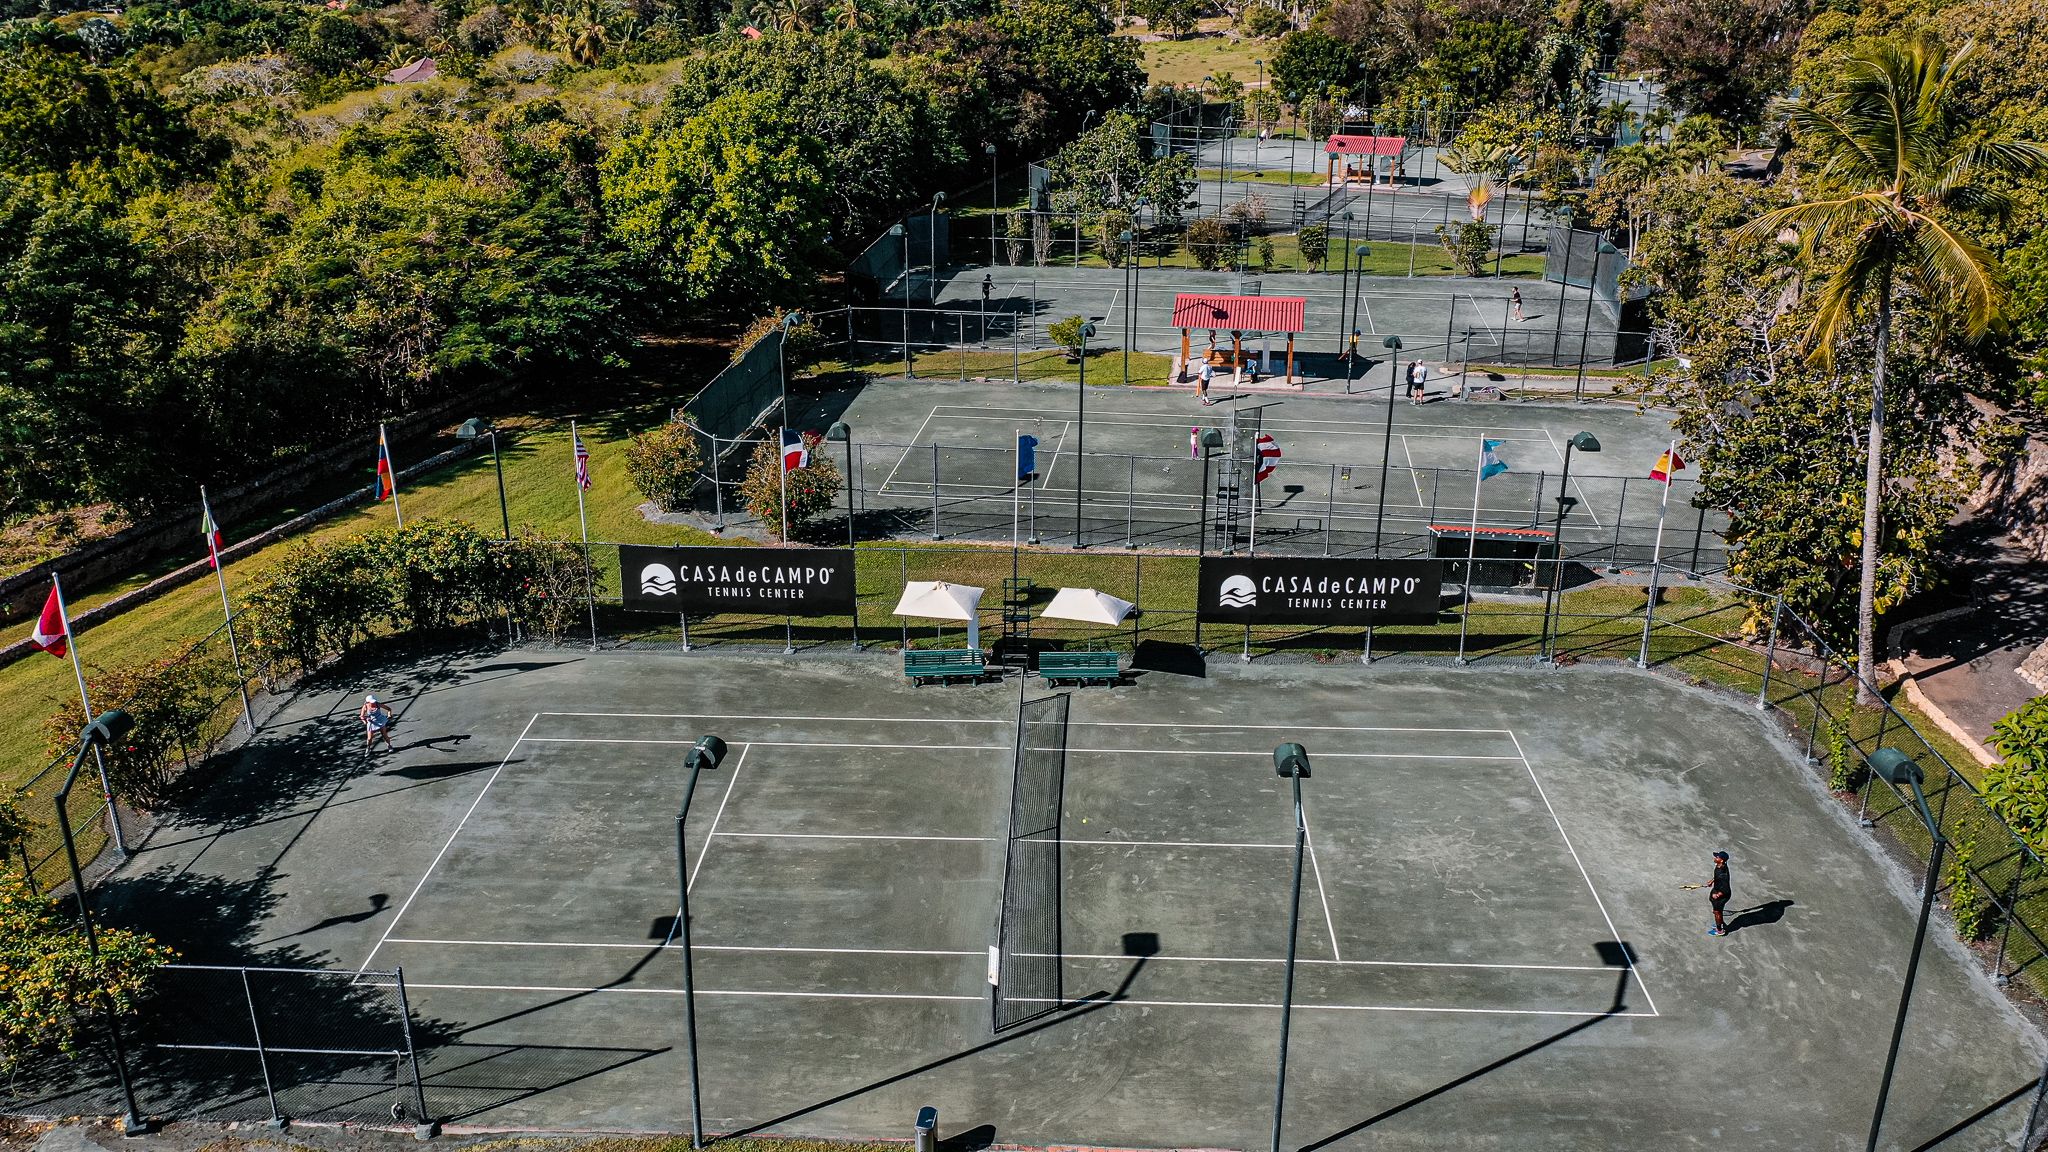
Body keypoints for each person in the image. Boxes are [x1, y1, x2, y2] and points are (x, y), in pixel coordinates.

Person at [1707, 850, 1731, 936]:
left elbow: (1726, 890)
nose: (1715, 858)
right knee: (1717, 912)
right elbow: (1717, 876)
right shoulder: (1721, 866)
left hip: (1721, 895)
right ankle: (1719, 924)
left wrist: (1717, 895)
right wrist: (1712, 881)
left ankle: (1719, 930)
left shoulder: (1722, 874)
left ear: (1721, 860)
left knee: (1717, 912)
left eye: (1717, 857)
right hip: (1717, 890)